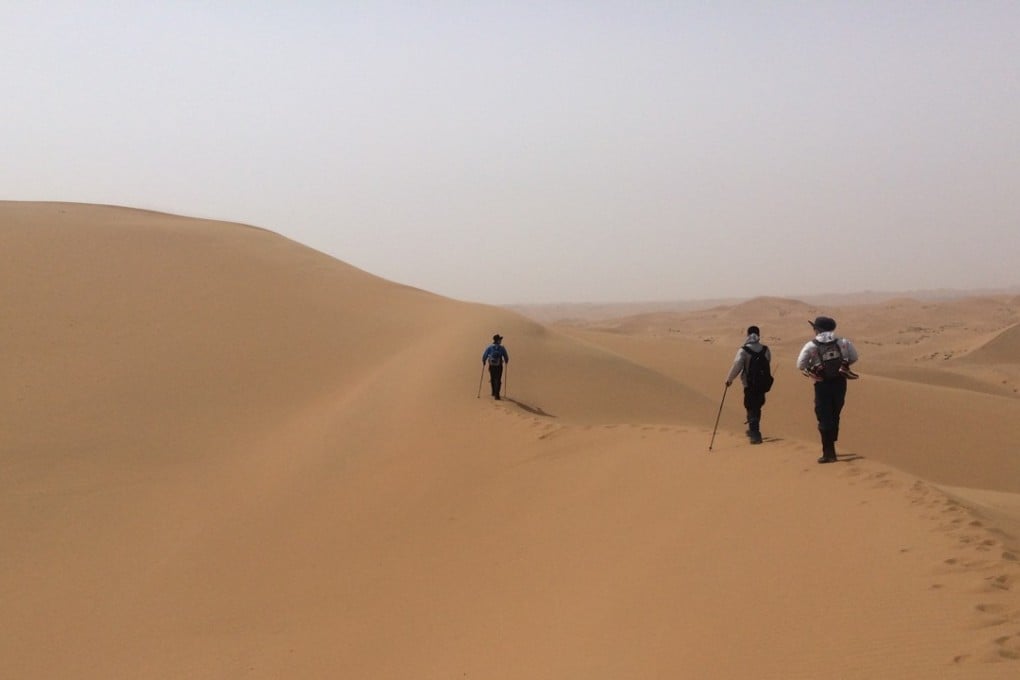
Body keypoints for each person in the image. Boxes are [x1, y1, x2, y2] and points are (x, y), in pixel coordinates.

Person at [796, 316, 860, 464]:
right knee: (835, 411)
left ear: (817, 329)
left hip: (822, 383)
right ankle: (832, 439)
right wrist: (841, 366)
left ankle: (829, 452)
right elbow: (854, 357)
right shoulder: (843, 342)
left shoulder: (811, 345)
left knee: (823, 415)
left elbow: (800, 364)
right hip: (840, 381)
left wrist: (814, 367)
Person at [725, 325, 772, 444]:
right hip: (762, 384)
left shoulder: (744, 350)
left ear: (747, 335)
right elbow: (768, 363)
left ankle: (755, 434)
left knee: (750, 406)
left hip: (749, 384)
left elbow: (737, 366)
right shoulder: (765, 349)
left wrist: (729, 379)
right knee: (757, 406)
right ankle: (754, 430)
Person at [482, 334, 509, 400]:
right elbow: (506, 356)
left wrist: (484, 361)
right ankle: (497, 394)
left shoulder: (490, 347)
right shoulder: (502, 348)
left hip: (491, 366)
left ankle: (493, 392)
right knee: (498, 379)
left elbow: (485, 355)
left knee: (493, 378)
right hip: (499, 366)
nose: (501, 341)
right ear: (497, 341)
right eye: (500, 339)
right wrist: (506, 361)